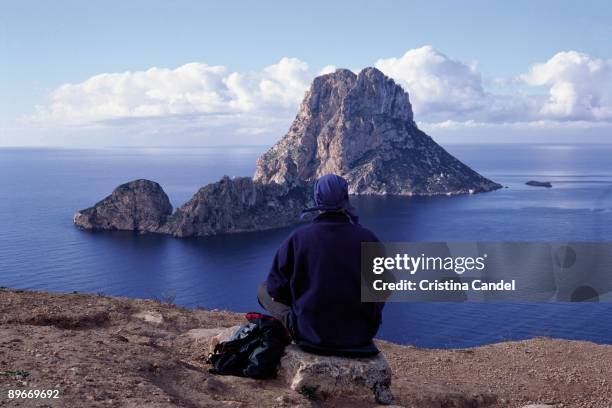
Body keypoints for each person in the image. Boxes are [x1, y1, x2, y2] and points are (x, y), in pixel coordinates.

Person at [257, 173, 384, 356]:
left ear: (317, 199)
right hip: (359, 336)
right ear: (345, 199)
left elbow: (275, 289)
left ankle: (293, 328)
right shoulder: (368, 238)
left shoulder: (298, 238)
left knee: (263, 289)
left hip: (309, 334)